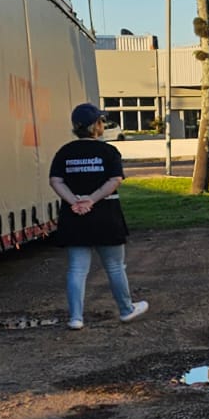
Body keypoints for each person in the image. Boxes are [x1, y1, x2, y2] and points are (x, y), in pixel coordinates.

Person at [48, 103, 149, 329]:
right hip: (106, 215)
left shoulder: (64, 152)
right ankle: (126, 309)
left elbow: (55, 181)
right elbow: (114, 180)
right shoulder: (108, 152)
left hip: (74, 216)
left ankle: (76, 317)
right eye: (101, 121)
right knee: (114, 266)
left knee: (76, 268)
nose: (103, 124)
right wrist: (92, 199)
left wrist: (75, 201)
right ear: (96, 126)